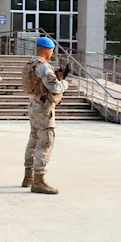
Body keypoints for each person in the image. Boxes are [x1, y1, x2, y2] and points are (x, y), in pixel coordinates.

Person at [22, 37, 69, 194]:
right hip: (43, 109)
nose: (53, 52)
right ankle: (39, 180)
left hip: (33, 105)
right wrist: (65, 83)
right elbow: (54, 87)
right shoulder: (43, 67)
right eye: (52, 49)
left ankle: (28, 175)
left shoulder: (31, 64)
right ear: (46, 49)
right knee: (46, 141)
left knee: (33, 140)